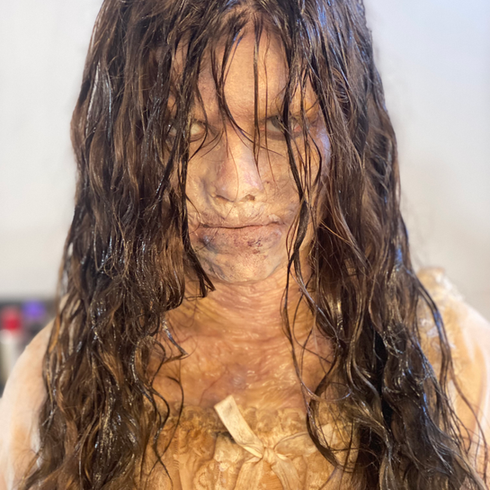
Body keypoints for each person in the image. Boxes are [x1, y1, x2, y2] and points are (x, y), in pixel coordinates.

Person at [1, 0, 489, 488]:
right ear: (126, 141)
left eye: (284, 124)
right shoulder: (57, 385)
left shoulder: (456, 365)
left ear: (346, 128)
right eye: (182, 127)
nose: (236, 185)